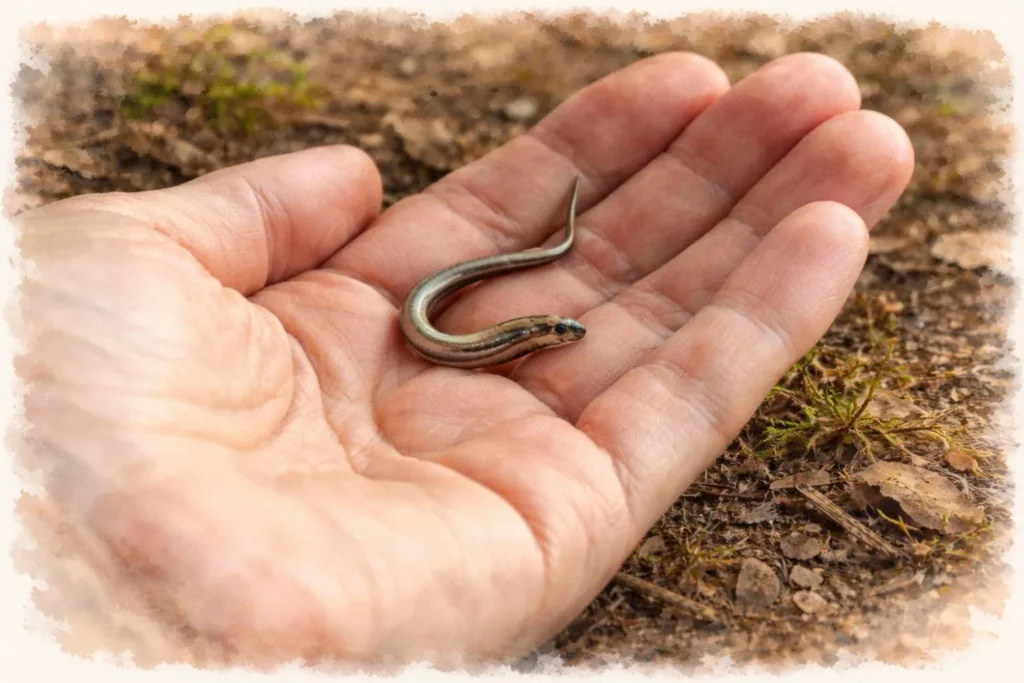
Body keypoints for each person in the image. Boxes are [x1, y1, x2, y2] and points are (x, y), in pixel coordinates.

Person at [13, 51, 914, 668]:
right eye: (559, 333)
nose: (563, 337)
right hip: (426, 323)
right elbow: (470, 356)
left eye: (559, 335)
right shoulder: (501, 346)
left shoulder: (514, 343)